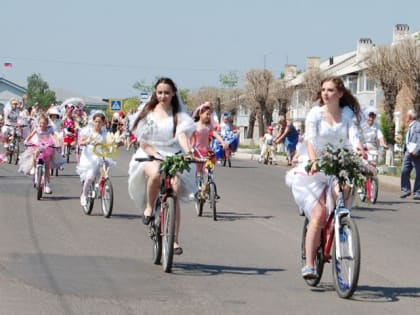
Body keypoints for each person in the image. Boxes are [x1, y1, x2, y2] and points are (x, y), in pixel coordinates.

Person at [285, 76, 364, 279]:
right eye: (323, 90)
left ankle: (339, 227)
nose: (325, 93)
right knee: (318, 215)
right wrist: (313, 160)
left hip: (339, 163)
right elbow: (310, 139)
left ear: (340, 93)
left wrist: (359, 149)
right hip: (317, 167)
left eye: (330, 90)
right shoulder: (315, 114)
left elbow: (354, 136)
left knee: (343, 193)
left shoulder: (347, 114)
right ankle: (310, 264)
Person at [128, 77, 196, 255]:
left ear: (173, 93)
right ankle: (149, 207)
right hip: (150, 153)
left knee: (174, 188)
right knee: (157, 174)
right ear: (155, 93)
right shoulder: (148, 112)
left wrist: (188, 152)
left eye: (166, 92)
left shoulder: (178, 114)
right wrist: (155, 154)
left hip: (172, 154)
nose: (163, 96)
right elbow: (143, 142)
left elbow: (182, 136)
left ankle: (174, 239)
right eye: (159, 92)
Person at [77, 111, 116, 208]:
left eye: (100, 122)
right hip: (89, 156)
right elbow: (80, 142)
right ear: (93, 121)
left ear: (103, 123)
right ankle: (84, 194)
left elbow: (110, 142)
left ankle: (102, 183)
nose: (97, 124)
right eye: (96, 121)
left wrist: (116, 143)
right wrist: (86, 141)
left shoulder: (105, 132)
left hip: (101, 154)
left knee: (106, 166)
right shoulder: (88, 131)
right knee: (90, 177)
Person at [191, 103, 227, 198]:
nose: (208, 116)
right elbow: (189, 138)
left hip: (207, 151)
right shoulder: (194, 126)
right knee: (197, 172)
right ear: (200, 114)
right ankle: (196, 190)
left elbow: (215, 134)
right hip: (197, 151)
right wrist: (189, 149)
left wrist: (223, 142)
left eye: (209, 114)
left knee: (209, 170)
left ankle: (211, 190)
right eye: (206, 114)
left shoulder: (209, 126)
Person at [20, 114, 61, 194]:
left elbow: (54, 136)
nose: (42, 125)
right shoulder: (37, 129)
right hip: (38, 145)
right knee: (35, 155)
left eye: (44, 123)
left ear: (47, 123)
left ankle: (47, 185)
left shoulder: (49, 129)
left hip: (47, 145)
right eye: (41, 123)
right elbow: (30, 135)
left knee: (47, 165)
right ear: (38, 123)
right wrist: (26, 141)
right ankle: (36, 174)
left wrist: (58, 143)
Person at [400, 109, 420, 200]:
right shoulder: (410, 126)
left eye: (406, 115)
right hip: (408, 152)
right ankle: (406, 190)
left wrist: (417, 150)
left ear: (410, 117)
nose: (405, 117)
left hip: (415, 153)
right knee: (404, 171)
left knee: (418, 173)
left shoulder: (418, 126)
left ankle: (417, 192)